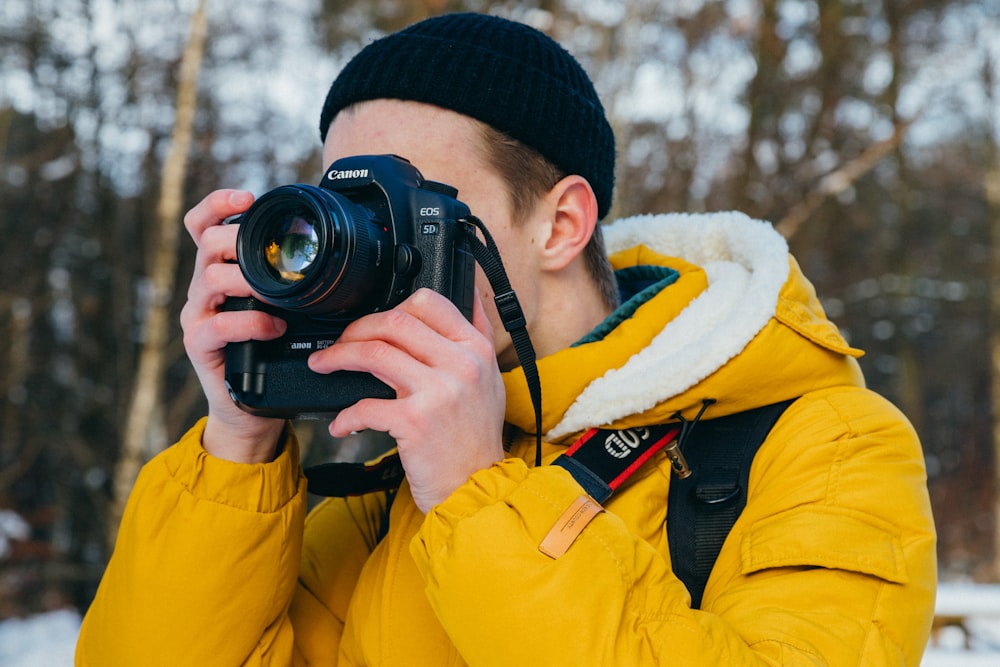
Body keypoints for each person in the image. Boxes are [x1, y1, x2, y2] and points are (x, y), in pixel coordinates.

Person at [76, 12, 937, 666]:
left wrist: (478, 495)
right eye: (352, 216)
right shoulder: (373, 481)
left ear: (561, 223)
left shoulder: (822, 443)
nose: (377, 254)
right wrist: (238, 441)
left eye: (414, 213)